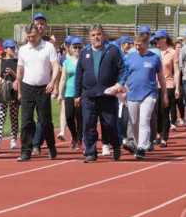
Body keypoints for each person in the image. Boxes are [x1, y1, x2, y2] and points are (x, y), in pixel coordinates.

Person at [75, 24, 127, 163]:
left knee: (109, 125)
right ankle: (91, 152)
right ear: (89, 37)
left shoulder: (113, 50)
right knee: (88, 124)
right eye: (93, 35)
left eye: (98, 34)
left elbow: (123, 69)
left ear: (103, 34)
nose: (96, 37)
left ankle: (116, 144)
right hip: (89, 96)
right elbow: (79, 75)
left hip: (108, 96)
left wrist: (119, 84)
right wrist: (77, 94)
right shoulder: (84, 52)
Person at [15, 23, 60, 162]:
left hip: (43, 88)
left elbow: (56, 66)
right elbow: (20, 70)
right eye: (28, 37)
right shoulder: (23, 49)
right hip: (27, 87)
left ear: (38, 34)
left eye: (33, 36)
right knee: (26, 121)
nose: (31, 39)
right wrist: (19, 88)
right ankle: (25, 151)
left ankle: (51, 146)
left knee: (45, 121)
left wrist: (52, 82)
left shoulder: (48, 47)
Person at [126, 32, 168, 159]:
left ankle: (141, 147)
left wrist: (165, 94)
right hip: (132, 93)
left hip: (149, 94)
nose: (137, 47)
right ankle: (137, 143)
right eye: (135, 44)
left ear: (146, 43)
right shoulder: (130, 56)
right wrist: (123, 87)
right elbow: (125, 75)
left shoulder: (154, 58)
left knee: (144, 121)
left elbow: (161, 77)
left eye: (140, 44)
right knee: (134, 122)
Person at [0, 39, 19, 150]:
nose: (13, 50)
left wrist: (12, 73)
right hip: (2, 91)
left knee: (14, 117)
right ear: (5, 49)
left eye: (13, 47)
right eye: (10, 48)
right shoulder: (0, 62)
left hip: (14, 91)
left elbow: (20, 77)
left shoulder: (17, 62)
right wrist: (4, 81)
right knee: (1, 115)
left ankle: (13, 140)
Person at [154, 29, 180, 147]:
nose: (156, 41)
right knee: (156, 112)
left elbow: (177, 71)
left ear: (164, 39)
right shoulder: (154, 52)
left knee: (164, 111)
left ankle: (165, 137)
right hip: (155, 85)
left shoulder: (173, 52)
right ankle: (158, 133)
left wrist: (177, 87)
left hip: (168, 84)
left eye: (158, 39)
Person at [58, 37, 84, 150]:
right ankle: (74, 135)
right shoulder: (67, 62)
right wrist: (60, 93)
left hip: (82, 93)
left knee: (80, 117)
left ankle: (79, 139)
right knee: (69, 116)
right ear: (71, 48)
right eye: (75, 47)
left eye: (79, 47)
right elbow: (63, 78)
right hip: (69, 92)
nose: (77, 49)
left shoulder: (85, 60)